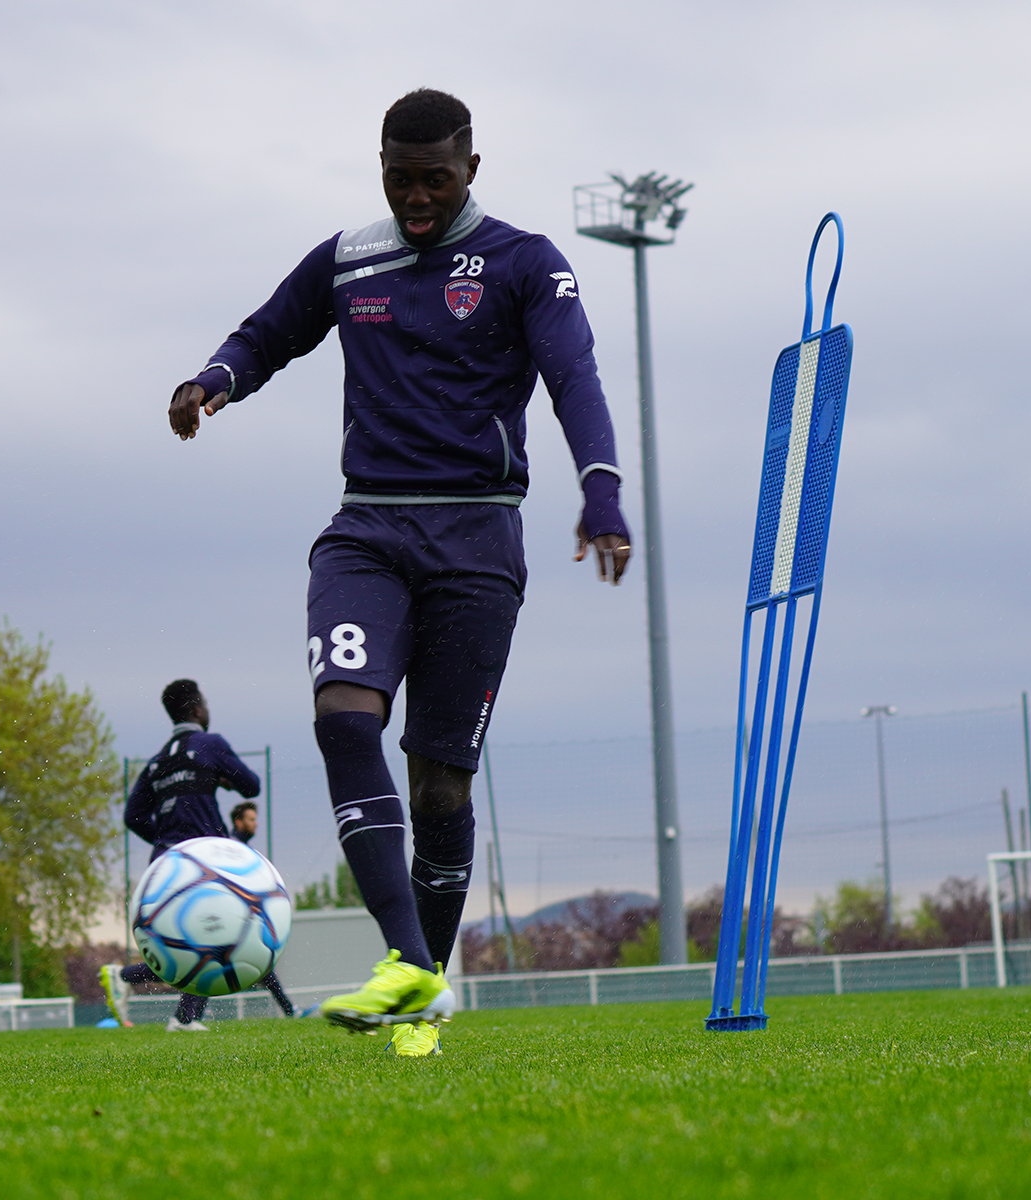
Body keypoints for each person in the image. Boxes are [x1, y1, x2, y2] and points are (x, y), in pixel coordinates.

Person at [166, 90, 630, 1056]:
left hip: (478, 542)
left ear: (471, 167)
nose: (416, 197)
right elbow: (268, 330)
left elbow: (573, 376)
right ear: (380, 164)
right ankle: (408, 963)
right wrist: (213, 378)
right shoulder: (351, 257)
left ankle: (420, 987)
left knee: (440, 792)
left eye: (436, 179)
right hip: (366, 531)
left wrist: (601, 489)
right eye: (399, 176)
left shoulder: (526, 263)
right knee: (343, 716)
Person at [102, 679, 261, 1031]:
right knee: (217, 932)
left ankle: (185, 1017)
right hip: (204, 857)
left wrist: (163, 839)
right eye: (205, 702)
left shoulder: (158, 759)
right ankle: (124, 976)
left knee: (202, 936)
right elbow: (252, 786)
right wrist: (223, 777)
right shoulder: (211, 744)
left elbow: (132, 815)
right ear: (196, 709)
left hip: (164, 863)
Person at [228, 801, 297, 1019]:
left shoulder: (242, 847)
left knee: (263, 963)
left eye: (256, 819)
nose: (255, 824)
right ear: (238, 822)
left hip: (241, 917)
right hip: (231, 918)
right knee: (210, 959)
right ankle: (126, 975)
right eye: (251, 819)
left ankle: (289, 1010)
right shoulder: (233, 847)